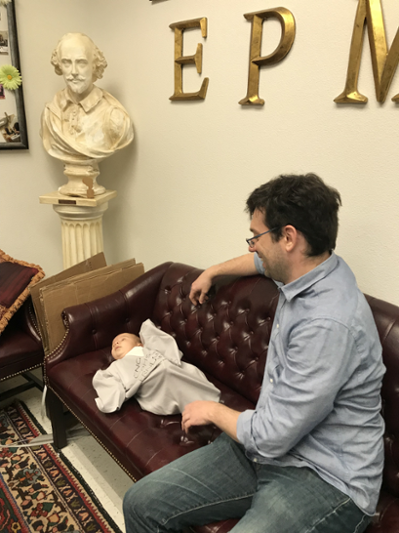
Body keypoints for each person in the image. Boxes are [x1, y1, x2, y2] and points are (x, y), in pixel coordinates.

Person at [123, 173, 385, 533]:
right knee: (140, 504)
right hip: (270, 450)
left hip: (325, 477)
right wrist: (214, 272)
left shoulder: (328, 322)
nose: (251, 246)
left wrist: (213, 411)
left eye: (256, 236)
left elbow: (271, 435)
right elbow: (262, 262)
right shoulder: (311, 268)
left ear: (289, 237)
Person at [40, 33, 133, 196]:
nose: (74, 71)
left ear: (94, 65)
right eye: (67, 63)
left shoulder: (114, 117)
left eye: (81, 63)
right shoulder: (49, 115)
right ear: (59, 65)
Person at [92, 319, 221, 415]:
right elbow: (104, 380)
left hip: (169, 368)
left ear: (139, 344)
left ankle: (210, 405)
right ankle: (205, 409)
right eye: (114, 345)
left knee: (176, 371)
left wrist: (144, 332)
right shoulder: (116, 366)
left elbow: (150, 332)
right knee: (166, 375)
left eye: (123, 339)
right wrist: (116, 394)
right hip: (152, 385)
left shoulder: (148, 348)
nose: (117, 343)